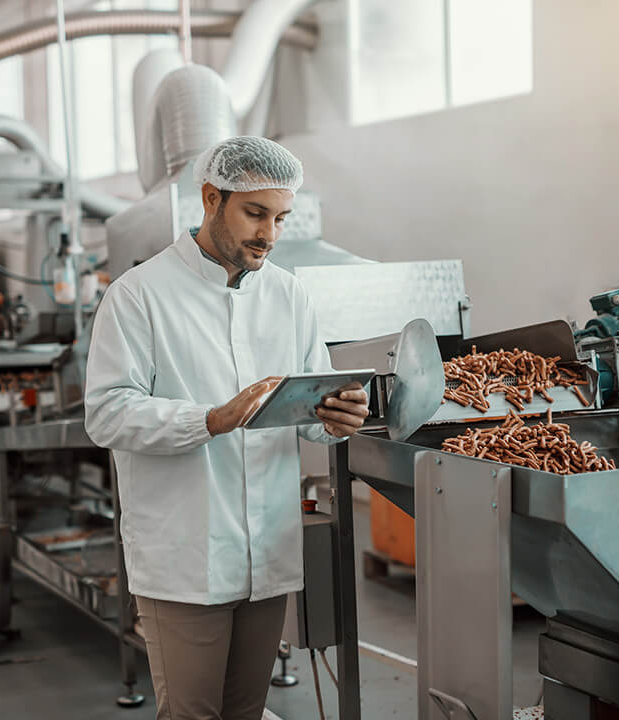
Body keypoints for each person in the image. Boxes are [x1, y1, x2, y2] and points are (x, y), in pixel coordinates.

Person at [84, 136, 369, 720]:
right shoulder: (139, 296)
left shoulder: (289, 295)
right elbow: (107, 411)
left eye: (280, 217)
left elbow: (310, 415)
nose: (269, 233)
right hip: (184, 556)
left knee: (247, 712)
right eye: (255, 213)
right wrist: (209, 420)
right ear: (212, 198)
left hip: (266, 551)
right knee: (193, 714)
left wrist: (337, 419)